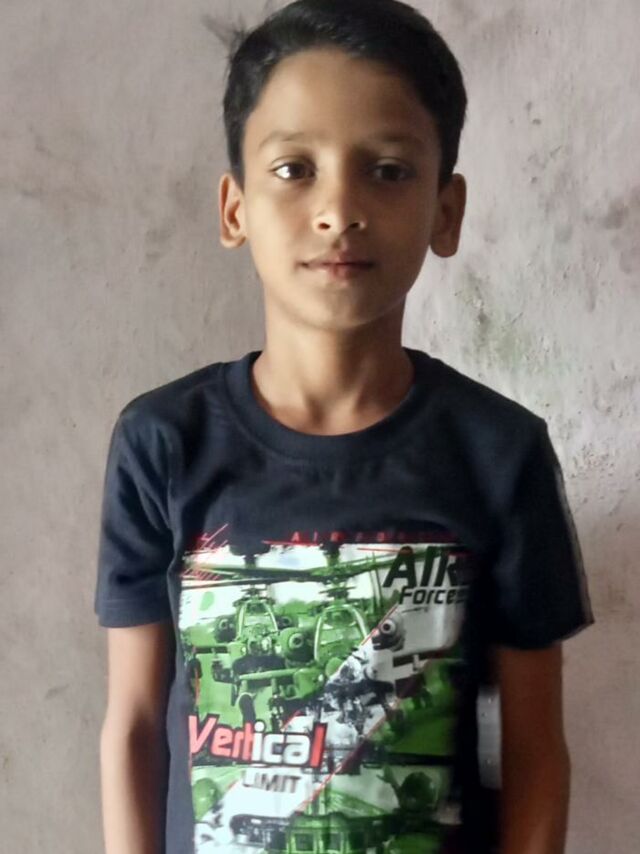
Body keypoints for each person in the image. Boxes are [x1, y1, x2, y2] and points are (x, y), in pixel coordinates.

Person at [94, 1, 595, 853]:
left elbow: (537, 752)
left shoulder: (498, 452)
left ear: (446, 211)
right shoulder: (163, 444)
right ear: (234, 208)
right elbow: (135, 728)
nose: (339, 208)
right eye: (294, 169)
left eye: (389, 170)